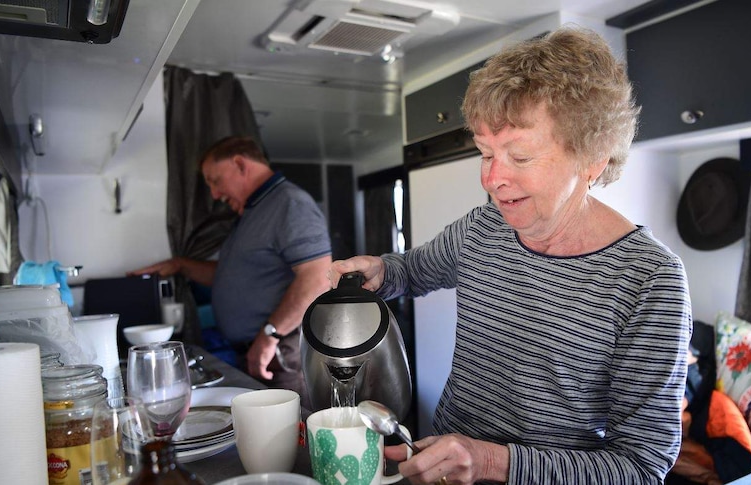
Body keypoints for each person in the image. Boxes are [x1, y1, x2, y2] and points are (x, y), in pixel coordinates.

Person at [329, 26, 692, 485]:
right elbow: (412, 271)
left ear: (592, 160)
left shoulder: (648, 278)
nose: (492, 179)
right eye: (485, 154)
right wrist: (380, 269)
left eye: (519, 157)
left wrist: (489, 461)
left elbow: (641, 466)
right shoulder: (486, 226)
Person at [130, 136, 332, 404]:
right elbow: (231, 277)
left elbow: (318, 277)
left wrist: (270, 335)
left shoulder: (289, 203)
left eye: (215, 180)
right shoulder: (252, 212)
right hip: (263, 349)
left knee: (295, 438)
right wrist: (180, 265)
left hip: (281, 352)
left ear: (240, 164)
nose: (214, 194)